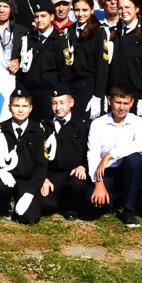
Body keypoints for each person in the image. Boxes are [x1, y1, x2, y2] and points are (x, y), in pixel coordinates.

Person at [87, 84, 142, 228]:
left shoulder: (138, 122)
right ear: (109, 101)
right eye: (118, 103)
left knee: (135, 159)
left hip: (127, 170)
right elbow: (93, 154)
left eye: (126, 103)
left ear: (132, 102)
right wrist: (98, 183)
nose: (122, 107)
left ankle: (128, 209)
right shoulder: (97, 124)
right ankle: (114, 200)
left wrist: (110, 155)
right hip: (105, 172)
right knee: (94, 205)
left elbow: (140, 145)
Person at [0, 89, 46, 224]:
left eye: (24, 106)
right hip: (7, 179)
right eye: (16, 106)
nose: (20, 110)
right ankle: (7, 204)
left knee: (30, 219)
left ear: (31, 108)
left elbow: (41, 167)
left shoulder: (38, 131)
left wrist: (30, 194)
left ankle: (20, 199)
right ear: (9, 107)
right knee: (1, 186)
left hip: (27, 180)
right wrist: (0, 172)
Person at [18, 0, 70, 122]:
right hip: (29, 94)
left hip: (49, 95)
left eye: (43, 16)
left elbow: (64, 72)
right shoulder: (29, 37)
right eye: (36, 16)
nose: (39, 20)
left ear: (52, 16)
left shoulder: (59, 40)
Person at [40, 89, 90, 221]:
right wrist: (43, 178)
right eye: (54, 103)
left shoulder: (82, 126)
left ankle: (71, 207)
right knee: (44, 205)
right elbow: (38, 156)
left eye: (62, 103)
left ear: (71, 102)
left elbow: (89, 151)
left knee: (77, 185)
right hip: (52, 174)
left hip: (72, 173)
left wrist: (83, 166)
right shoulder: (44, 125)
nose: (58, 107)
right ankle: (58, 201)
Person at [107, 0, 142, 121]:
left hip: (135, 99)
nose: (123, 11)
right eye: (120, 8)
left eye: (127, 7)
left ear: (136, 9)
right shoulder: (113, 35)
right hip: (115, 99)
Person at [66, 0, 109, 120]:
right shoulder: (70, 30)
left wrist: (98, 95)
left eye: (84, 10)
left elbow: (103, 66)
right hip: (74, 88)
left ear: (92, 10)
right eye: (77, 10)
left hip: (91, 88)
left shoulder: (98, 32)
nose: (80, 14)